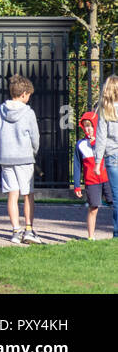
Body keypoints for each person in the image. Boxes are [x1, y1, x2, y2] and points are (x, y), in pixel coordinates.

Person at [0, 73, 42, 244]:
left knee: (12, 194)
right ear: (24, 94)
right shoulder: (28, 113)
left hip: (6, 157)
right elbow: (35, 138)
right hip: (24, 158)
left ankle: (15, 231)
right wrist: (33, 152)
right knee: (28, 194)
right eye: (29, 95)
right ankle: (28, 229)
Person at [73, 110, 111, 240]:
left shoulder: (104, 141)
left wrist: (96, 142)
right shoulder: (81, 145)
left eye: (90, 125)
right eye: (85, 126)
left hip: (107, 178)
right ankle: (91, 237)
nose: (88, 129)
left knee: (114, 203)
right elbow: (77, 166)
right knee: (93, 207)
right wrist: (77, 185)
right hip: (91, 181)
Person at [95, 76, 118, 239]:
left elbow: (101, 138)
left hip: (112, 156)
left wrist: (97, 162)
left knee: (117, 198)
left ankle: (117, 233)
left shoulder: (104, 110)